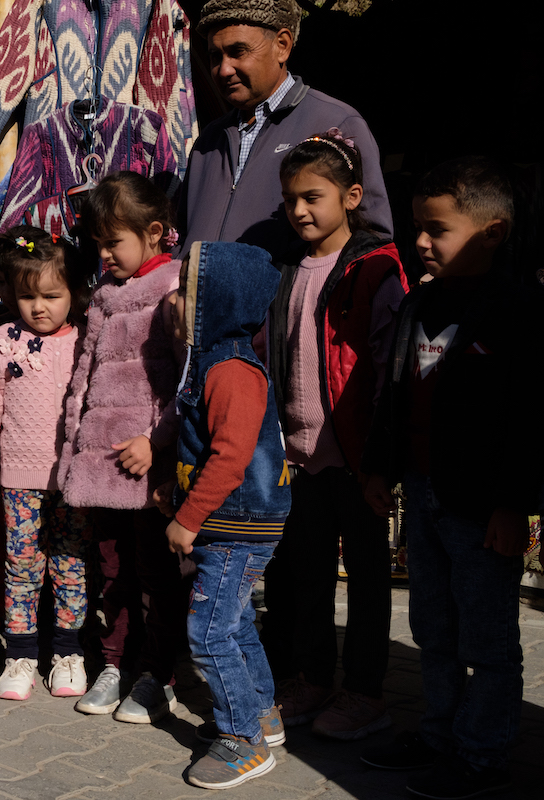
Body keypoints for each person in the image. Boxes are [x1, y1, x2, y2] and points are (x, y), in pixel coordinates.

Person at [359, 157, 543, 800]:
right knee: (432, 629)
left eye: (437, 229)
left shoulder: (520, 313)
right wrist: (382, 466)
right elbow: (394, 394)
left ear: (492, 232)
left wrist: (511, 506)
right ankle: (438, 734)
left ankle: (483, 754)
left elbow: (527, 421)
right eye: (417, 226)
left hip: (481, 507)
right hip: (424, 495)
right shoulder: (419, 304)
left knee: (488, 640)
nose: (420, 242)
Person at [260, 130, 408, 739]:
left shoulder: (377, 268)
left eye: (313, 197)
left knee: (369, 579)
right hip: (301, 456)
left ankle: (366, 690)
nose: (299, 210)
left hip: (354, 456)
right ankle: (314, 678)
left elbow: (387, 366)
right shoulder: (288, 267)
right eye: (291, 198)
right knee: (307, 571)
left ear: (351, 196)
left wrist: (379, 459)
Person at [57, 173, 188, 724]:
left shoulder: (176, 290)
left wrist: (156, 442)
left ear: (154, 232)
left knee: (157, 575)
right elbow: (82, 380)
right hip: (101, 462)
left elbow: (186, 381)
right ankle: (114, 664)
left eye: (115, 241)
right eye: (98, 243)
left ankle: (160, 674)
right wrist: (72, 455)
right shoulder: (103, 298)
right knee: (111, 571)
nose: (104, 253)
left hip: (149, 466)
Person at [161, 241, 290, 790]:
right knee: (233, 622)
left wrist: (187, 517)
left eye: (186, 292)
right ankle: (260, 710)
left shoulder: (231, 370)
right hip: (231, 520)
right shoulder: (210, 361)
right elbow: (202, 444)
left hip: (238, 523)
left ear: (219, 302)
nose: (172, 300)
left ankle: (243, 739)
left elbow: (231, 457)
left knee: (207, 632)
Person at [0, 227, 91, 701]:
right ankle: (20, 656)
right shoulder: (2, 338)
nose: (39, 306)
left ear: (73, 293)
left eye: (51, 295)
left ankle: (68, 652)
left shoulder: (83, 339)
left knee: (70, 565)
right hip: (17, 481)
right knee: (21, 567)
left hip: (73, 480)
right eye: (27, 296)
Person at [178, 0, 392, 258]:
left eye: (238, 52)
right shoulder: (208, 142)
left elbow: (372, 243)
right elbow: (182, 236)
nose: (224, 69)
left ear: (282, 46)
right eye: (215, 56)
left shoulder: (337, 123)